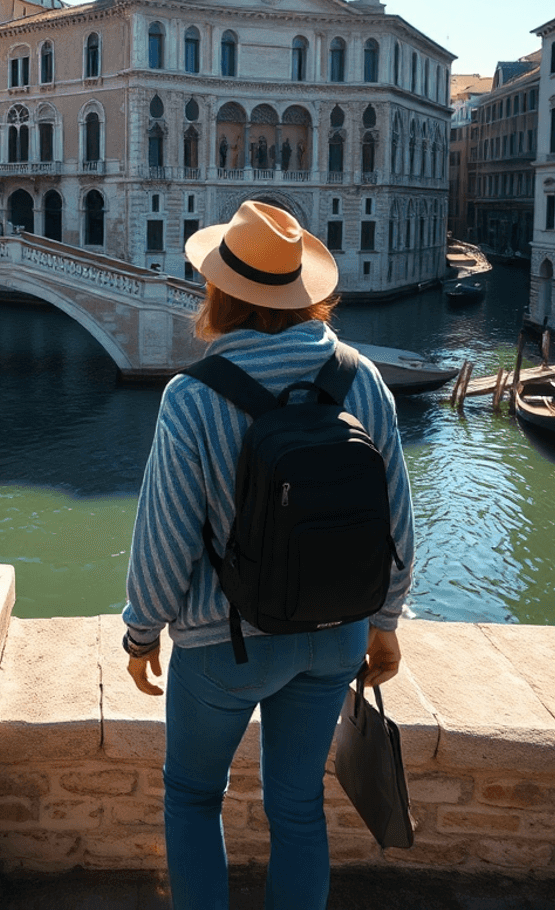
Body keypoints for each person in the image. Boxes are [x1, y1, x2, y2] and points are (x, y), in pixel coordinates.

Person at [122, 200, 415, 910]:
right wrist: (385, 622)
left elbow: (165, 540)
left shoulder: (192, 397)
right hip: (335, 637)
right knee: (296, 807)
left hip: (227, 647)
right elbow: (399, 524)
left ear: (218, 292)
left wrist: (141, 633)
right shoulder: (362, 379)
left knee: (192, 797)